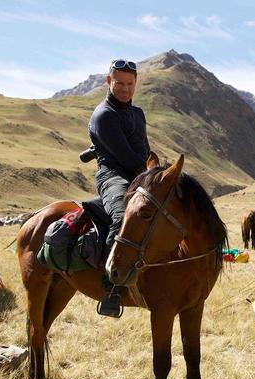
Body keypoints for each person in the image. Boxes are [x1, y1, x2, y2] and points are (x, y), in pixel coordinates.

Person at [86, 58, 150, 317]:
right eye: (119, 83)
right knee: (122, 217)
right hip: (113, 176)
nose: (125, 88)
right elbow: (125, 157)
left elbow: (143, 150)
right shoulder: (104, 115)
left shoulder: (138, 114)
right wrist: (149, 173)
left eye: (130, 84)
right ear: (108, 81)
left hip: (139, 174)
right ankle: (110, 290)